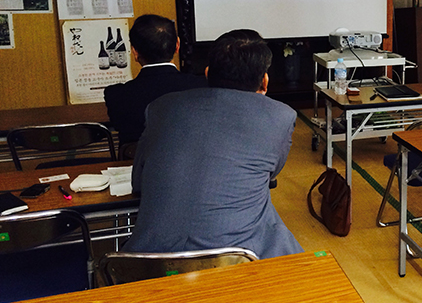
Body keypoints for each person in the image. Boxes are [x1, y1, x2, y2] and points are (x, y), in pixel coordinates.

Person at [124, 29, 302, 259]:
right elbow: (270, 176)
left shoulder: (161, 107)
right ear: (265, 81)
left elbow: (138, 181)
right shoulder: (281, 116)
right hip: (238, 258)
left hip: (148, 262)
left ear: (207, 73)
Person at [104, 15, 206, 145]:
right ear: (177, 46)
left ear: (135, 52)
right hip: (193, 163)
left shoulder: (116, 95)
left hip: (139, 164)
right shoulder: (202, 86)